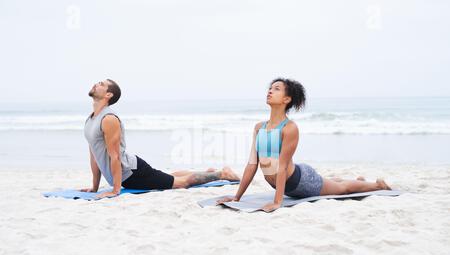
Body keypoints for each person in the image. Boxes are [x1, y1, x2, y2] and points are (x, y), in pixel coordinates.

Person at [217, 78, 391, 212]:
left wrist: (278, 202)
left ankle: (377, 185)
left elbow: (282, 166)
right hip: (285, 182)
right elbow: (252, 164)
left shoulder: (289, 128)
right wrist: (236, 197)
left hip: (301, 181)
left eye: (276, 89)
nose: (270, 91)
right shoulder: (258, 128)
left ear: (287, 99)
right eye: (269, 88)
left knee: (341, 189)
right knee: (329, 183)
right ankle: (357, 181)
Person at [81, 79, 240, 199]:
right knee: (168, 177)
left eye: (101, 84)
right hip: (128, 173)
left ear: (109, 95)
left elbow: (114, 156)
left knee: (180, 183)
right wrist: (94, 187)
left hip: (132, 174)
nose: (96, 84)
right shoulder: (91, 120)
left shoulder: (109, 119)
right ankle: (207, 172)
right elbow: (94, 154)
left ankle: (221, 174)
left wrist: (115, 190)